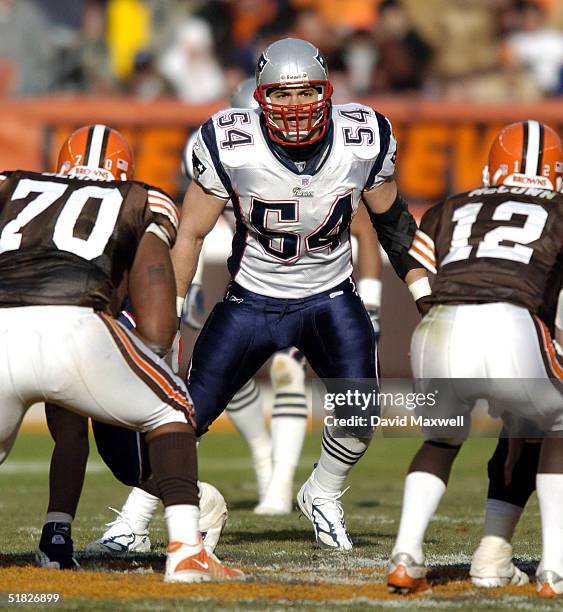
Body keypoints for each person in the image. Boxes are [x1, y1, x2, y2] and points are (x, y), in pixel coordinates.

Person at [173, 37, 430, 550]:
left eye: (307, 93)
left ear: (328, 91)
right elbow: (190, 234)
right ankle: (134, 520)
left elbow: (393, 225)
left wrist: (427, 294)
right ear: (260, 98)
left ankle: (324, 492)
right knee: (183, 417)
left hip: (328, 296)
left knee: (362, 408)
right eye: (282, 96)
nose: (295, 107)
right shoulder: (230, 142)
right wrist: (173, 312)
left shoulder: (363, 136)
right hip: (252, 298)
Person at [0, 124, 242, 583]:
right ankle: (187, 552)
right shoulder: (139, 200)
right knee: (173, 405)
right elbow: (155, 317)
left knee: (67, 427)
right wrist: (154, 356)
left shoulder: (10, 184)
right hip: (76, 325)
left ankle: (57, 538)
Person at [386, 120, 563, 598]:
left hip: (439, 328)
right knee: (557, 428)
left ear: (492, 168)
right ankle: (555, 567)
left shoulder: (452, 206)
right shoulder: (559, 208)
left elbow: (418, 269)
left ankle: (405, 555)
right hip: (511, 325)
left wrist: (435, 309)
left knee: (441, 441)